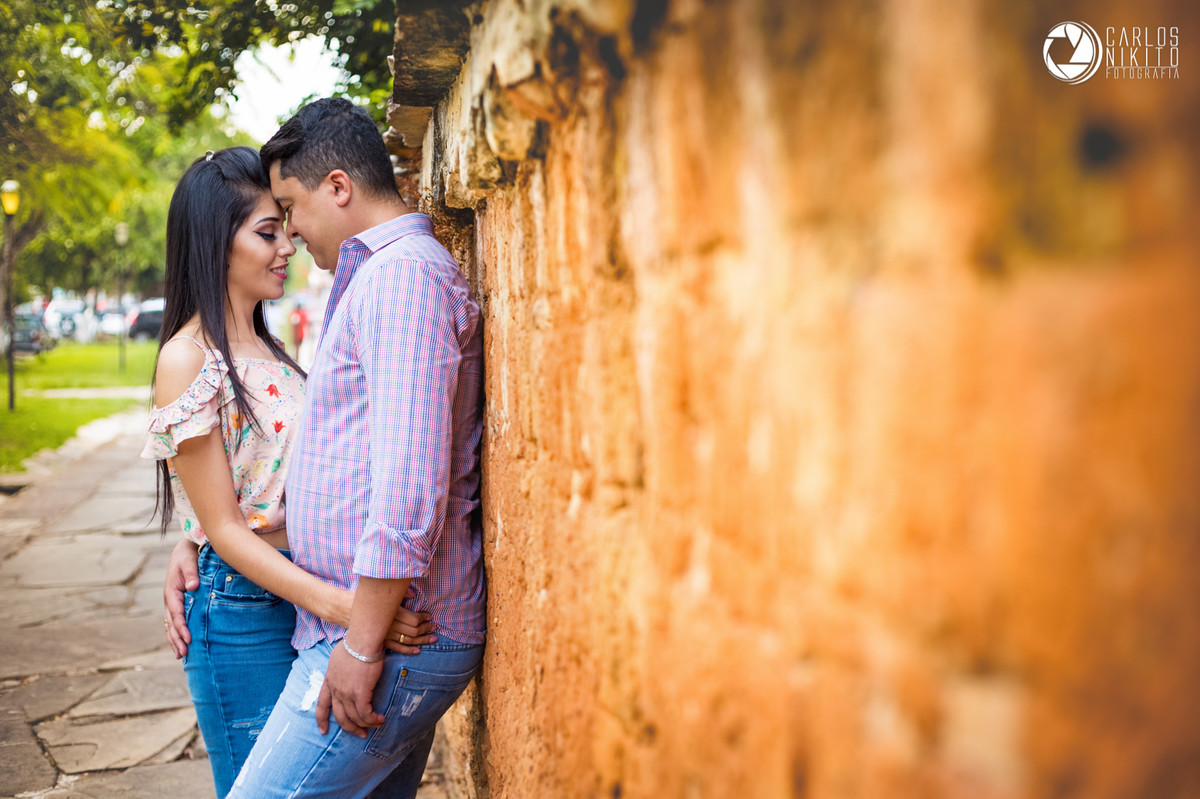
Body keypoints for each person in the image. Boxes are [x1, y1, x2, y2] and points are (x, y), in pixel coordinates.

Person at [214, 96, 487, 797]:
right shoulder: (378, 275)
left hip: (393, 637)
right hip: (377, 630)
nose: (291, 230)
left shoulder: (401, 278)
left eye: (292, 206)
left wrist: (360, 644)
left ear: (338, 187)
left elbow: (408, 481)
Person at [144, 146, 436, 798]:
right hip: (246, 612)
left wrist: (191, 536)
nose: (287, 247)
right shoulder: (189, 359)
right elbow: (227, 526)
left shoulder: (275, 349)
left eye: (285, 227)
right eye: (266, 232)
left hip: (304, 598)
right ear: (215, 244)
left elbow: (249, 489)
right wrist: (354, 610)